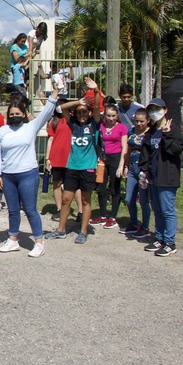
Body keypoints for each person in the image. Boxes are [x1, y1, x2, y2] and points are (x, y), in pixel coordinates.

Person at [0, 85, 61, 257]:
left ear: (23, 114)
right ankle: (13, 239)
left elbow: (46, 112)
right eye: (11, 114)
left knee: (30, 209)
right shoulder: (3, 131)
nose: (14, 116)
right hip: (8, 175)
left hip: (27, 174)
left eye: (18, 113)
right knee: (13, 209)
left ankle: (39, 242)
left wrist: (54, 93)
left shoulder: (31, 127)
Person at [46, 77, 102, 245]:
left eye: (84, 112)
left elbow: (97, 107)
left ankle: (83, 231)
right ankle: (61, 230)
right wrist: (79, 102)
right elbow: (61, 108)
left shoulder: (94, 124)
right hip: (72, 167)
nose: (82, 115)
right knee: (66, 200)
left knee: (85, 201)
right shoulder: (73, 124)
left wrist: (96, 90)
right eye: (79, 112)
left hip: (88, 168)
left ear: (89, 113)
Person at [140, 98, 183, 256]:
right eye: (151, 110)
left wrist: (166, 134)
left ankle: (170, 242)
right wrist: (144, 171)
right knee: (157, 210)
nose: (154, 112)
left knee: (167, 210)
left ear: (165, 110)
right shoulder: (151, 131)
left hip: (167, 176)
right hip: (153, 176)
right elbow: (146, 153)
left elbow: (175, 150)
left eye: (157, 109)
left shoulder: (173, 129)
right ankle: (159, 238)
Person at [91, 105, 129, 229]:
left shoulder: (122, 128)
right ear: (105, 116)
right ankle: (103, 215)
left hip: (116, 158)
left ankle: (113, 217)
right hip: (103, 158)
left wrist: (121, 166)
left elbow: (124, 148)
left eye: (113, 116)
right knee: (101, 187)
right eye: (108, 116)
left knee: (114, 188)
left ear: (117, 116)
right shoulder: (101, 126)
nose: (111, 118)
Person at [121, 109, 151, 238]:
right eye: (136, 121)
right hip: (132, 168)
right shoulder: (131, 131)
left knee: (143, 200)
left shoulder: (150, 133)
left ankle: (145, 227)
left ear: (148, 120)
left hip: (143, 169)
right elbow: (128, 150)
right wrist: (126, 166)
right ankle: (133, 223)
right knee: (129, 199)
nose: (138, 124)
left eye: (141, 121)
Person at [45, 99, 74, 222]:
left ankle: (79, 211)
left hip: (70, 157)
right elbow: (50, 139)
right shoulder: (54, 121)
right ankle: (59, 208)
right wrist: (47, 158)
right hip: (56, 157)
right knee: (56, 183)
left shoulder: (73, 119)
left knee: (73, 185)